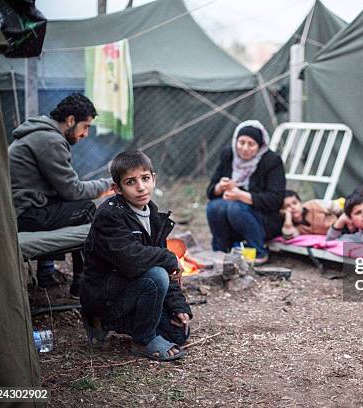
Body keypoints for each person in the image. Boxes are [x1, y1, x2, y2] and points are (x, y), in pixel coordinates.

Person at [80, 151, 191, 362]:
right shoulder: (110, 216)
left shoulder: (151, 212)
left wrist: (178, 307)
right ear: (117, 189)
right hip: (107, 296)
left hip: (131, 288)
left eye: (145, 179)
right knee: (157, 275)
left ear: (154, 178)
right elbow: (132, 260)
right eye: (131, 182)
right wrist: (170, 257)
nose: (141, 187)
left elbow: (167, 267)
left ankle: (126, 325)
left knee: (179, 333)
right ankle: (140, 339)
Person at [8, 93, 112, 293]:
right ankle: (83, 284)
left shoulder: (39, 133)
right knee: (86, 209)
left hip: (22, 209)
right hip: (23, 214)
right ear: (71, 120)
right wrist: (110, 185)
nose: (86, 134)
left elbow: (62, 190)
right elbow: (73, 191)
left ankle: (46, 274)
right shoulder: (49, 140)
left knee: (60, 206)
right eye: (86, 126)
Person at [206, 120, 286, 265]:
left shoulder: (271, 161)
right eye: (241, 142)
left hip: (265, 219)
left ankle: (258, 252)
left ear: (260, 146)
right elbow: (211, 191)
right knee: (215, 206)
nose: (244, 148)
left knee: (235, 207)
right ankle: (221, 250)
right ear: (235, 140)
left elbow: (275, 200)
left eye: (251, 144)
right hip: (235, 217)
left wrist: (240, 195)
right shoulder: (229, 155)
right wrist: (221, 187)